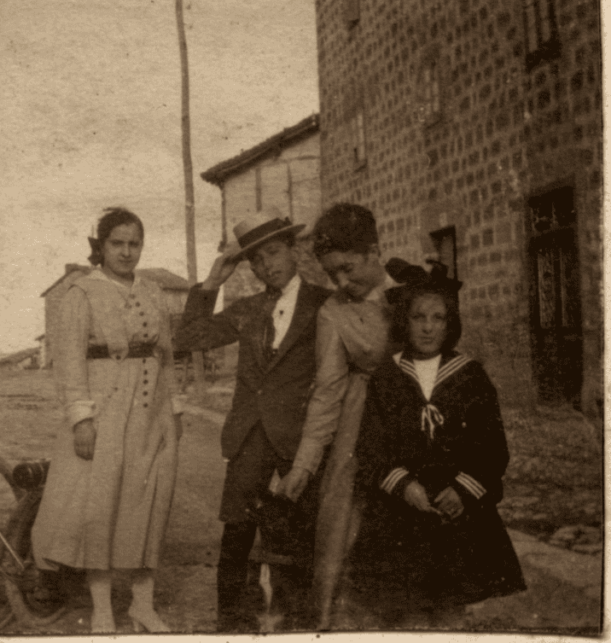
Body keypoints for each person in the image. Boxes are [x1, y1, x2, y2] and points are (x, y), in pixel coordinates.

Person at [174, 209, 331, 632]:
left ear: (294, 250)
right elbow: (188, 337)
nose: (267, 266)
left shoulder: (323, 304)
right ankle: (229, 624)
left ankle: (302, 626)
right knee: (237, 532)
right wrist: (212, 282)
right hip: (250, 436)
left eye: (274, 253)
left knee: (303, 532)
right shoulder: (248, 309)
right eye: (257, 260)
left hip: (299, 438)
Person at [348, 264, 526, 627]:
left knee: (450, 610)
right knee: (407, 613)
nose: (428, 327)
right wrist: (403, 485)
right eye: (418, 317)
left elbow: (492, 447)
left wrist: (463, 489)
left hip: (456, 512)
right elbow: (371, 447)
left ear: (449, 324)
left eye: (437, 318)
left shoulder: (470, 376)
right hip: (401, 515)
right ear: (404, 321)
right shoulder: (388, 377)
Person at [31, 207, 181, 634]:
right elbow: (69, 363)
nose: (127, 252)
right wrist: (81, 419)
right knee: (99, 508)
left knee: (148, 503)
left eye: (135, 244)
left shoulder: (152, 291)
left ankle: (142, 606)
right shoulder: (81, 293)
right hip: (105, 412)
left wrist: (173, 411)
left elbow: (167, 356)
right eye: (117, 243)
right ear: (101, 246)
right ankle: (102, 610)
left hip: (150, 414)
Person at [276, 202, 402, 629]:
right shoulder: (333, 312)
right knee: (346, 525)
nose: (342, 282)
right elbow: (327, 393)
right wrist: (304, 465)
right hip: (361, 424)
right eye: (332, 275)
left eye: (348, 268)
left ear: (374, 251)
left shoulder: (417, 291)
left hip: (416, 422)